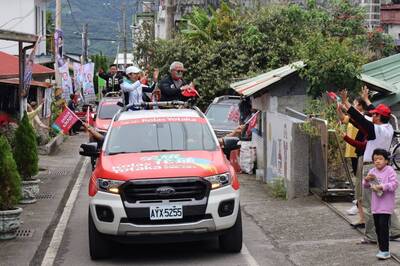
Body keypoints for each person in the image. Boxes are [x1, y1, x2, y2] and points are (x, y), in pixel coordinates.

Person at [338, 89, 400, 244]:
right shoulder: (389, 128)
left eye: (375, 114)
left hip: (371, 169)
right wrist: (366, 100)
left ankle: (372, 236)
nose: (372, 115)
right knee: (384, 200)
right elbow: (363, 119)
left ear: (379, 117)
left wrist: (346, 102)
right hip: (384, 167)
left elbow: (361, 118)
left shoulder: (374, 129)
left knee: (368, 203)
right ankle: (395, 230)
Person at [363, 149, 398, 260]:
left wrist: (382, 186)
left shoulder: (390, 170)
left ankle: (385, 251)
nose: (377, 161)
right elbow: (365, 186)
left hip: (386, 206)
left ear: (386, 161)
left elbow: (394, 184)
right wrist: (366, 180)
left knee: (383, 227)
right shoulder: (372, 171)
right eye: (375, 159)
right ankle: (381, 248)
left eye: (380, 159)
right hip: (376, 206)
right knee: (378, 228)